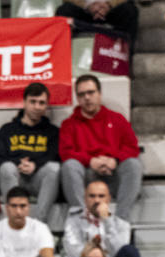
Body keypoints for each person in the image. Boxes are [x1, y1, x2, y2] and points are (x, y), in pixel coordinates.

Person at [58, 76, 142, 220]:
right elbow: (65, 152)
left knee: (133, 164)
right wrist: (91, 161)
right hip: (87, 178)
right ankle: (82, 221)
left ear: (99, 93)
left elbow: (132, 147)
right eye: (82, 94)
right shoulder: (69, 124)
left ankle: (120, 221)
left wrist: (114, 161)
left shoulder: (117, 119)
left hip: (113, 175)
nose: (87, 97)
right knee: (69, 165)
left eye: (91, 92)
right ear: (77, 98)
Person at [0, 82, 61, 225]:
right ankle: (14, 222)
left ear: (46, 106)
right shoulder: (7, 130)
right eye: (33, 102)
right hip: (15, 178)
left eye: (41, 103)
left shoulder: (53, 131)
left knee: (54, 169)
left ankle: (39, 224)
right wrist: (19, 164)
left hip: (38, 180)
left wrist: (34, 165)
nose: (37, 107)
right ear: (24, 102)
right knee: (6, 168)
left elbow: (54, 156)